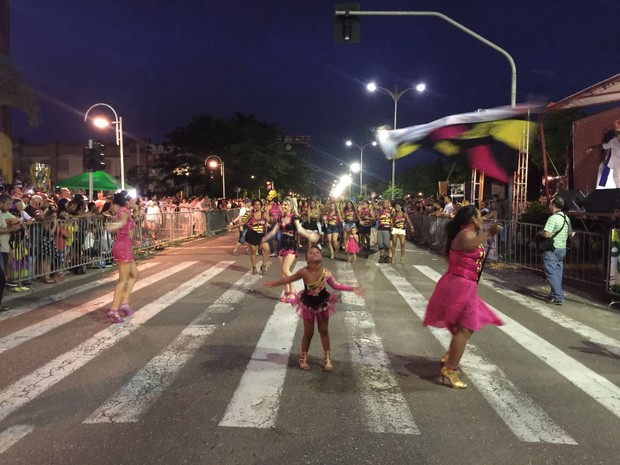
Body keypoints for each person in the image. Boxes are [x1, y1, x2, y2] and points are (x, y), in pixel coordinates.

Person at [423, 205, 502, 389]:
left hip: (464, 284)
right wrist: (489, 232)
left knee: (465, 327)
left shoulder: (467, 233)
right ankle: (450, 368)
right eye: (479, 216)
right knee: (465, 328)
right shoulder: (466, 235)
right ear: (473, 220)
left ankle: (450, 357)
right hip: (460, 285)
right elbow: (469, 246)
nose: (481, 219)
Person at [264, 245, 362, 371]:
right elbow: (289, 278)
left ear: (321, 256)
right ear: (307, 259)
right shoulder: (303, 272)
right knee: (308, 333)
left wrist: (353, 288)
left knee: (323, 330)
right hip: (308, 305)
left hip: (322, 304)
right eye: (311, 252)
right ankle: (303, 357)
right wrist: (273, 284)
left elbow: (336, 285)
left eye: (317, 252)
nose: (315, 253)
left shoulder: (326, 272)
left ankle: (327, 358)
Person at [261, 197, 320, 303]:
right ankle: (286, 292)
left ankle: (293, 291)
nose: (283, 206)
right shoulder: (280, 218)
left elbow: (300, 229)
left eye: (286, 205)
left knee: (285, 268)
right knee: (282, 271)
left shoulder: (294, 217)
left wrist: (310, 236)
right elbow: (274, 231)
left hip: (291, 244)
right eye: (282, 204)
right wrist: (264, 238)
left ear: (291, 206)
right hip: (282, 244)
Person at [105, 192, 139, 324]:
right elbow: (122, 222)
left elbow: (125, 225)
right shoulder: (124, 210)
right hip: (123, 247)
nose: (134, 202)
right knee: (123, 280)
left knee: (134, 275)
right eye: (132, 200)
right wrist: (113, 226)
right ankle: (114, 310)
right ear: (126, 202)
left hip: (126, 246)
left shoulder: (126, 211)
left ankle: (124, 304)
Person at [539, 195, 571, 305]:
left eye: (550, 204)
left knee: (550, 273)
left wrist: (540, 233)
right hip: (562, 248)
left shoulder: (552, 218)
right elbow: (570, 233)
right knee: (557, 273)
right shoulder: (566, 218)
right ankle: (553, 295)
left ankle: (558, 296)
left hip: (552, 249)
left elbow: (547, 234)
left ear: (553, 205)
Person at [241, 199, 271, 275]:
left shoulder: (264, 214)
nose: (257, 206)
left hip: (261, 234)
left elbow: (271, 221)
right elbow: (243, 223)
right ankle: (254, 267)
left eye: (259, 204)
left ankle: (263, 265)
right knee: (253, 251)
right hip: (252, 234)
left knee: (267, 250)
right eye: (255, 204)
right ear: (253, 206)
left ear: (261, 206)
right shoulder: (250, 214)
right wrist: (233, 225)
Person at [602, 119, 620, 188]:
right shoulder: (614, 142)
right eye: (618, 133)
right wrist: (591, 148)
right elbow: (603, 146)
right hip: (617, 170)